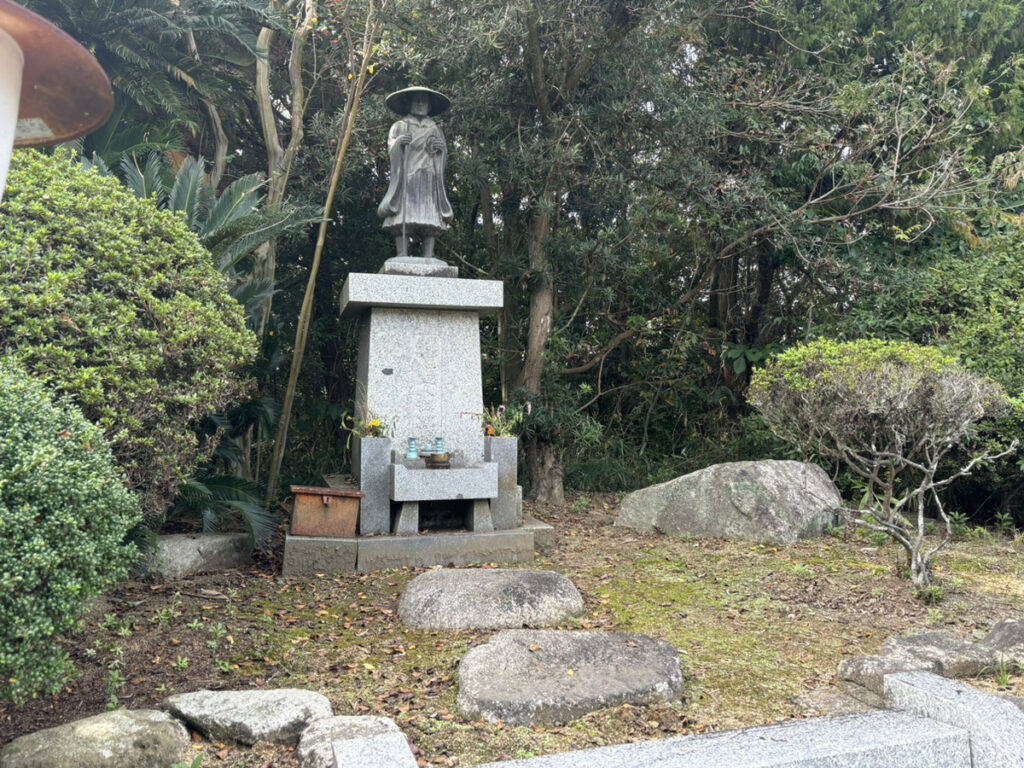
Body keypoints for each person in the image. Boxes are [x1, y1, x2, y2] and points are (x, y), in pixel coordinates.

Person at [377, 86, 454, 260]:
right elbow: (391, 147)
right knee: (403, 213)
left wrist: (441, 150)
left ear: (429, 106)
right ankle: (401, 252)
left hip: (428, 176)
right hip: (407, 175)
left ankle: (429, 254)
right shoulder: (400, 126)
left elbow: (442, 154)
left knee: (430, 213)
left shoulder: (434, 129)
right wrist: (398, 144)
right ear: (409, 104)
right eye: (417, 100)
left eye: (424, 101)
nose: (420, 104)